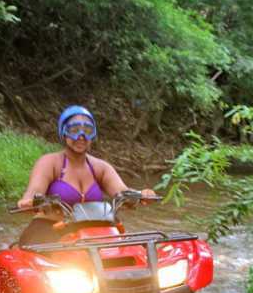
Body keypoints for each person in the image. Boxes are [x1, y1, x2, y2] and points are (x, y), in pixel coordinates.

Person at [17, 105, 156, 245]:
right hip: (49, 231)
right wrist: (29, 201)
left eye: (87, 131)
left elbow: (122, 192)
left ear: (93, 135)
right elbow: (35, 191)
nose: (81, 137)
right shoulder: (49, 162)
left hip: (92, 233)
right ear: (64, 132)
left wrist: (140, 195)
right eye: (74, 130)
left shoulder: (101, 167)